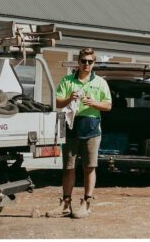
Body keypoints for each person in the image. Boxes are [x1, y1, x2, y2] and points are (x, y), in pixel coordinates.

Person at [47, 47, 111, 219]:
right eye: (84, 61)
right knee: (69, 167)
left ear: (94, 63)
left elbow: (108, 105)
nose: (86, 65)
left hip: (91, 128)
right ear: (78, 62)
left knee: (89, 167)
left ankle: (86, 203)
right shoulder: (68, 81)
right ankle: (65, 203)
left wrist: (93, 103)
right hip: (71, 127)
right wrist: (70, 98)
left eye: (90, 62)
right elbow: (57, 102)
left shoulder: (100, 82)